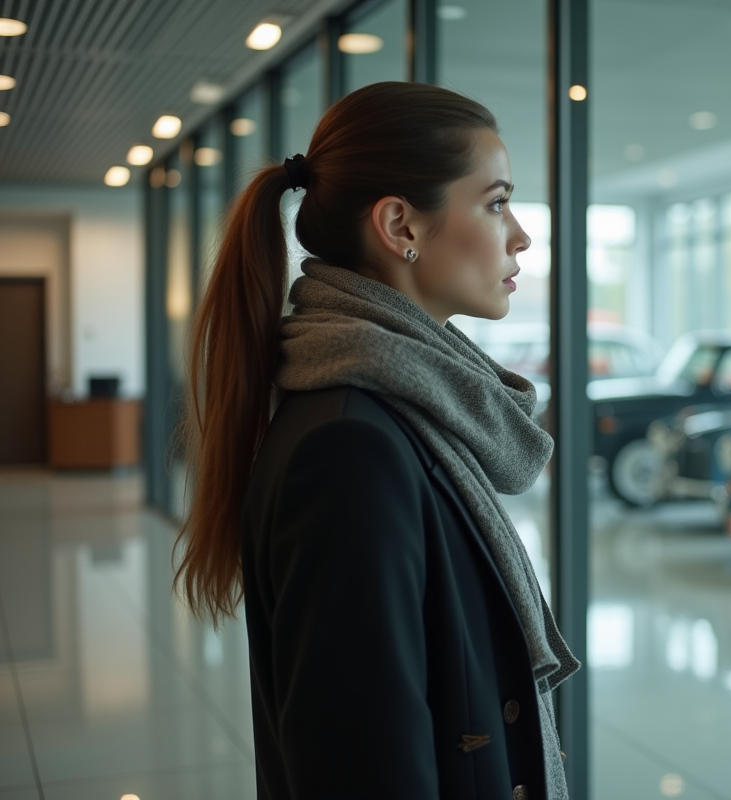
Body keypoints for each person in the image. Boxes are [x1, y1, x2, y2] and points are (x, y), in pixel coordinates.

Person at [174, 81, 579, 799]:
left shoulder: (399, 409)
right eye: (495, 202)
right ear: (401, 226)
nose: (520, 234)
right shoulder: (350, 450)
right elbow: (358, 767)